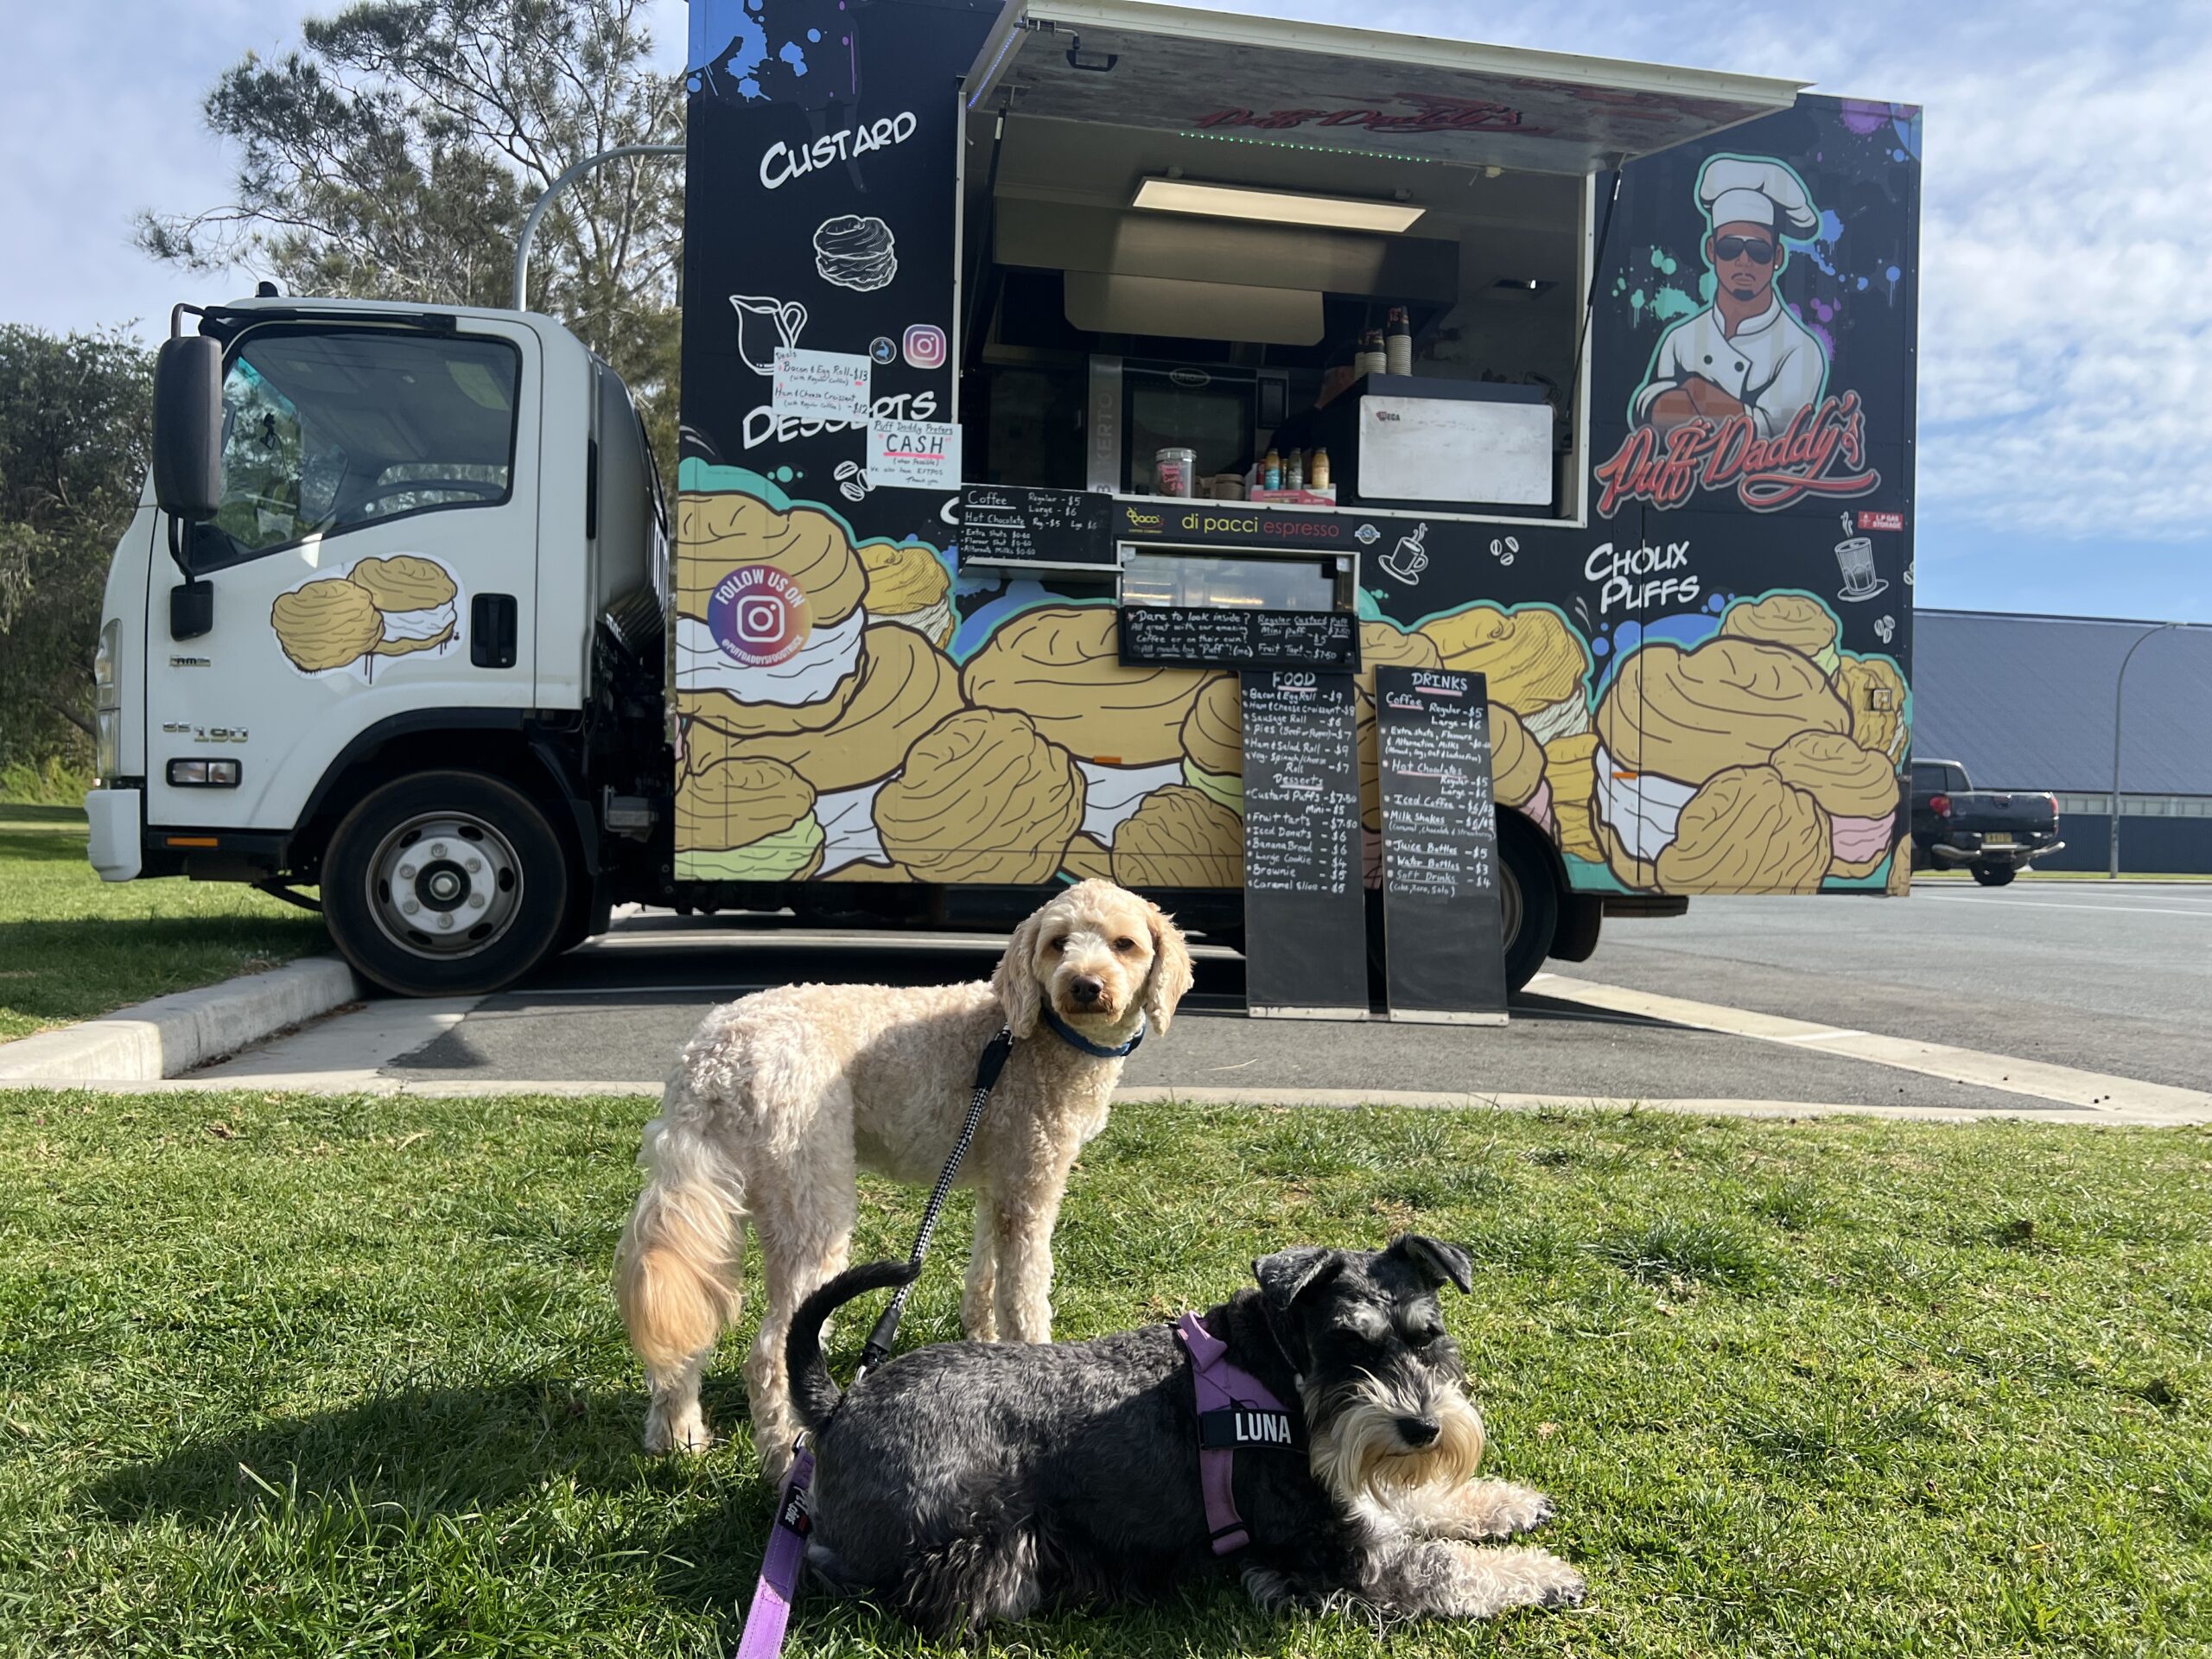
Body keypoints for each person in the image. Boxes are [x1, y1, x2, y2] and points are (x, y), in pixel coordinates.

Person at [1631, 156, 1828, 439]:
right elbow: (1655, 420)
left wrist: (1696, 392)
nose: (1744, 261)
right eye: (1731, 247)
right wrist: (1727, 410)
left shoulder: (1801, 350)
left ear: (1778, 256)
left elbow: (1774, 436)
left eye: (1758, 251)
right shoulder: (1680, 339)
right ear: (1711, 250)